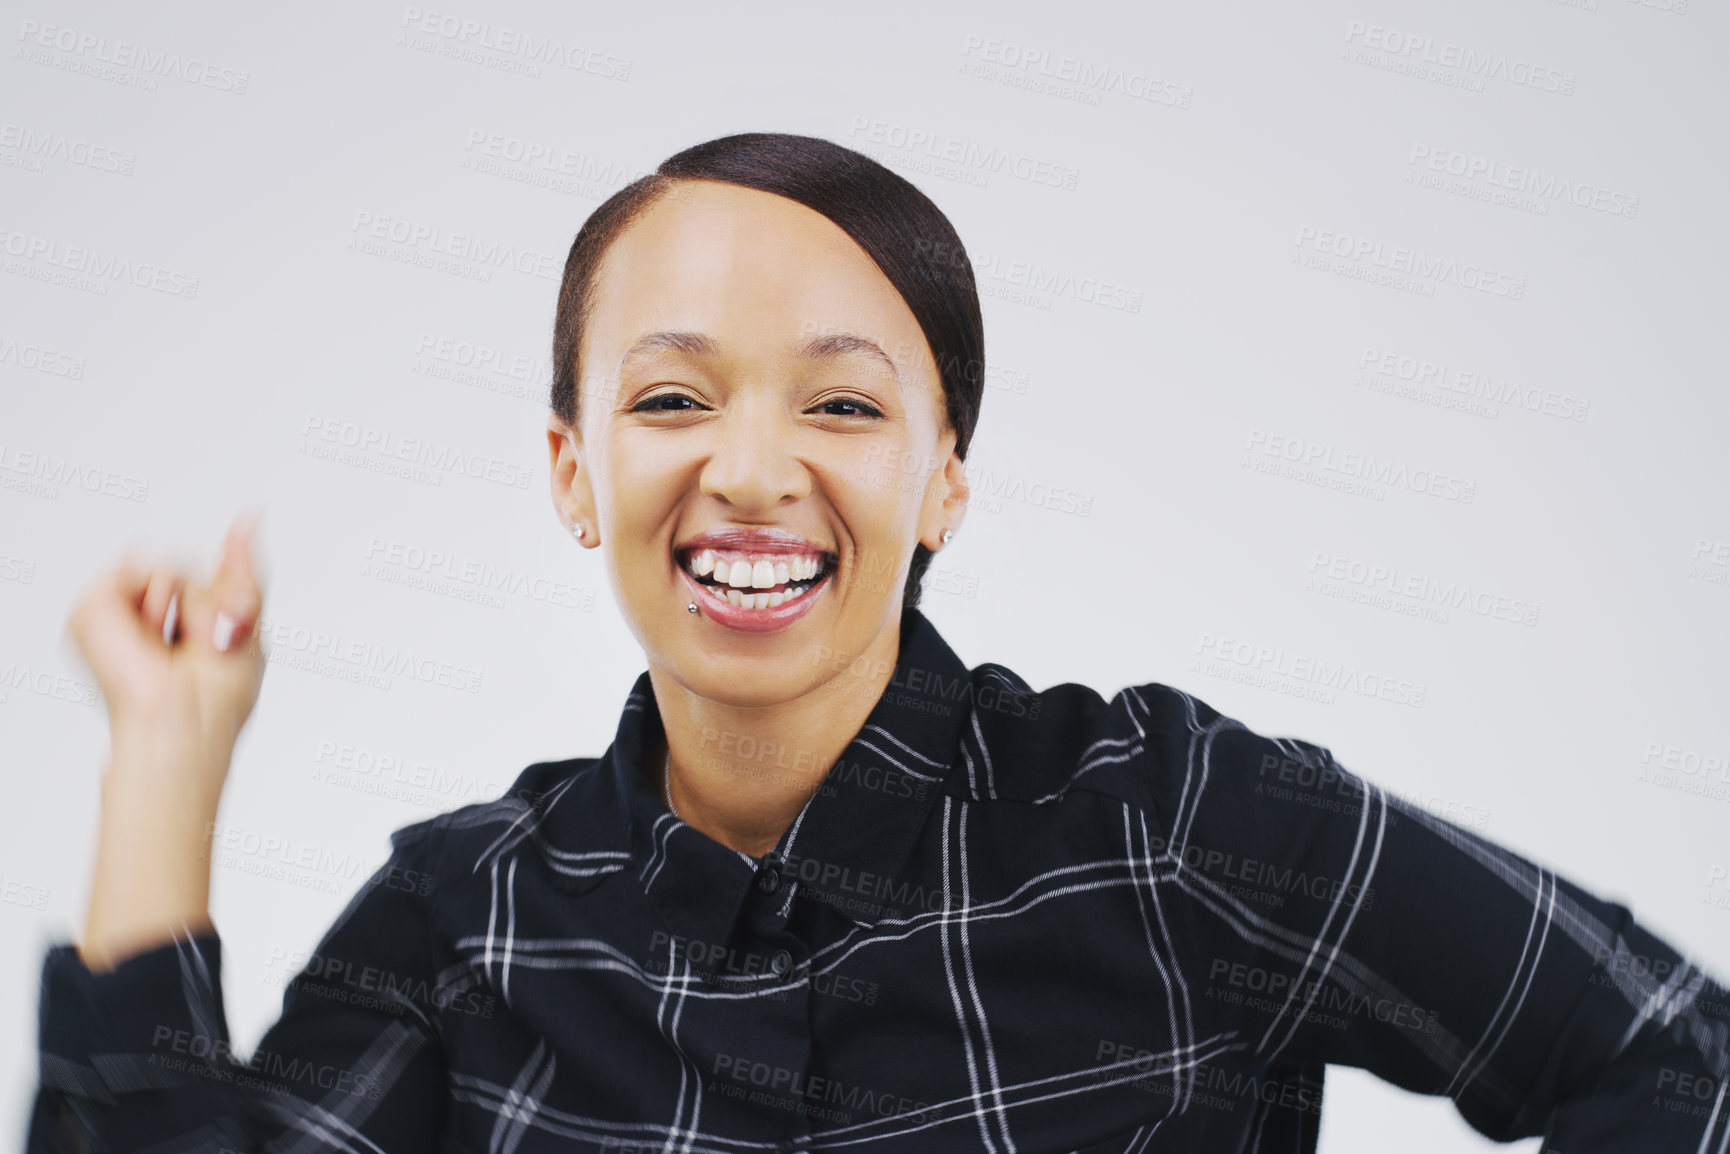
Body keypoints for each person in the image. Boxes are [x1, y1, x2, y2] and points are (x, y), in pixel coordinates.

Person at [30, 132, 1730, 1153]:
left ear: (941, 481)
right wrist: (166, 755)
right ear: (574, 470)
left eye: (842, 401)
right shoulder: (463, 915)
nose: (753, 470)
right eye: (672, 395)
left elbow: (1672, 1052)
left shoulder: (1175, 827)